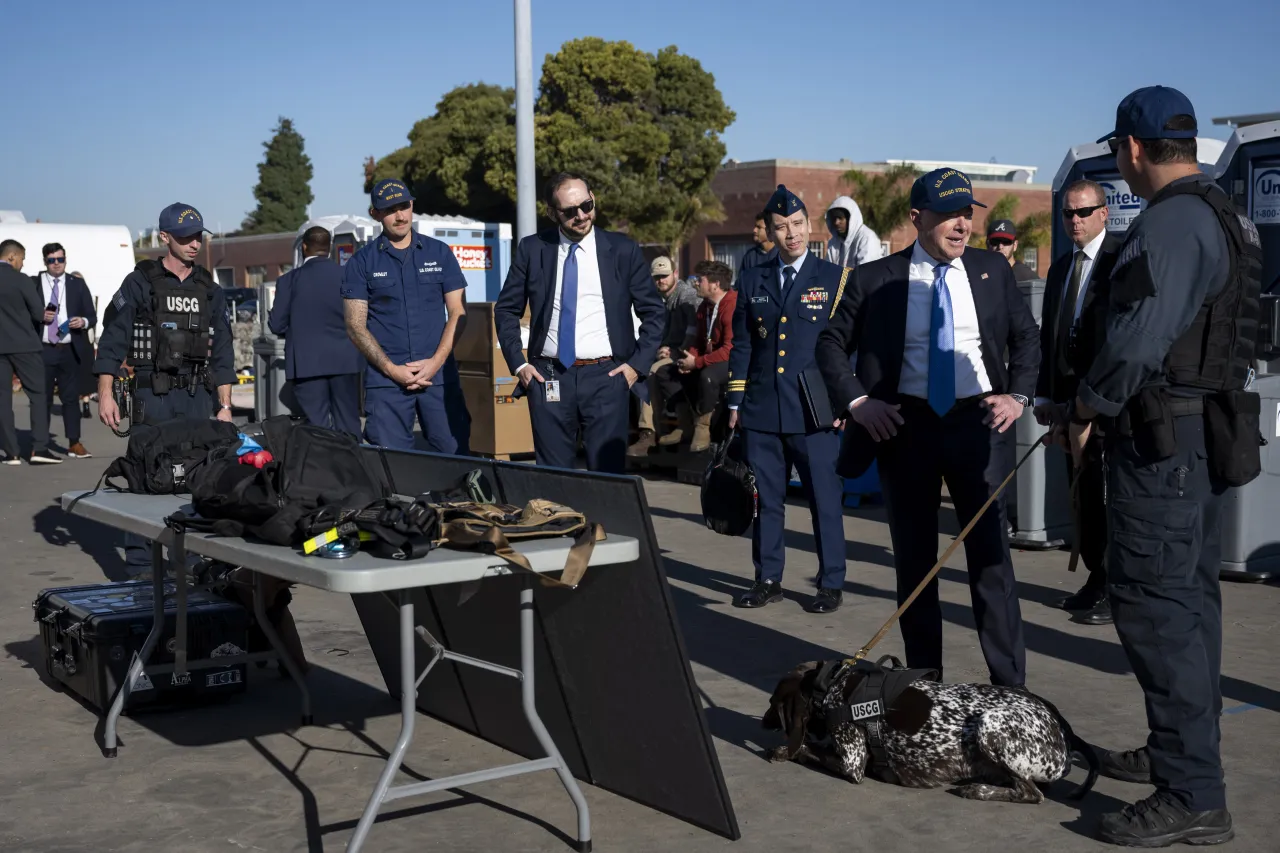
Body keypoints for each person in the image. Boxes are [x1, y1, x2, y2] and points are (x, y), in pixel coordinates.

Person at [1070, 86, 1260, 848]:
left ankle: (1192, 790)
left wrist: (1086, 405)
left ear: (1134, 149)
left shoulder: (1173, 224)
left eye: (1119, 148)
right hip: (1196, 438)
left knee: (1156, 613)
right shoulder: (1225, 212)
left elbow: (1139, 339)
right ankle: (1181, 751)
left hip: (1162, 446)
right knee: (1190, 607)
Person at [816, 167, 1040, 686]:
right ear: (918, 219)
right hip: (906, 431)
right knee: (916, 565)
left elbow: (1028, 338)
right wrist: (858, 401)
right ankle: (924, 686)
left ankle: (1011, 690)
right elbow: (830, 344)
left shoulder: (991, 270)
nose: (961, 225)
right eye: (947, 215)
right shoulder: (876, 279)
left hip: (977, 427)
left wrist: (1019, 394)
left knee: (991, 564)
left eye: (967, 213)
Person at [95, 203, 236, 573]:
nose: (194, 244)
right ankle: (141, 567)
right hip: (151, 398)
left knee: (196, 477)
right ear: (164, 237)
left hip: (195, 399)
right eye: (185, 237)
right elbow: (112, 340)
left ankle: (188, 559)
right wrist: (106, 392)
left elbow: (223, 350)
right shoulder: (140, 282)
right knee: (144, 475)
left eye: (198, 237)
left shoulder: (209, 289)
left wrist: (224, 405)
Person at [727, 184, 848, 613]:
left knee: (825, 501)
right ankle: (768, 577)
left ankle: (831, 581)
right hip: (762, 408)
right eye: (781, 227)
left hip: (815, 410)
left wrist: (847, 404)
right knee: (765, 502)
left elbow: (848, 348)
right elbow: (743, 344)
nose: (791, 234)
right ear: (771, 232)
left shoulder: (835, 279)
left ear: (810, 226)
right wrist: (735, 404)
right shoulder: (753, 276)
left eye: (798, 224)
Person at [494, 172, 665, 473]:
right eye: (570, 211)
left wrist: (636, 367)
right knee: (553, 476)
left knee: (607, 475)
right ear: (552, 213)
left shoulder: (622, 250)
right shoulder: (533, 249)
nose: (582, 216)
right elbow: (506, 309)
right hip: (548, 375)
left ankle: (603, 522)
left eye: (586, 205)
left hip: (608, 376)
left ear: (593, 199)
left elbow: (654, 312)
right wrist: (519, 366)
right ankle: (560, 521)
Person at [1032, 180, 1123, 627]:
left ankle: (1114, 584)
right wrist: (1046, 395)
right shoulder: (1061, 268)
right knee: (1081, 493)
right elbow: (1051, 333)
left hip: (1106, 405)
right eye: (1068, 213)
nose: (1075, 221)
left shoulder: (1120, 262)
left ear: (1104, 213)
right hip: (1069, 404)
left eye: (1084, 212)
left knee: (1108, 494)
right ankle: (1095, 574)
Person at [342, 179, 471, 454]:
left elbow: (458, 311)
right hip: (387, 383)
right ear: (375, 213)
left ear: (412, 205)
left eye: (404, 207)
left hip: (438, 378)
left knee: (455, 456)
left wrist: (435, 363)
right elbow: (355, 326)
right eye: (390, 210)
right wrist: (392, 370)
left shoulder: (440, 253)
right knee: (392, 465)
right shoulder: (361, 263)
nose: (400, 216)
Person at [269, 225, 363, 438]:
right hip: (345, 361)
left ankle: (321, 467)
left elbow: (276, 325)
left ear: (304, 247)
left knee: (317, 427)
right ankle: (354, 465)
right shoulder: (348, 276)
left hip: (306, 363)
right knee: (349, 423)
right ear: (329, 248)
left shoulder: (289, 281)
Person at [652, 260, 737, 453]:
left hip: (732, 360)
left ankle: (703, 427)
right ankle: (686, 425)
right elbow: (699, 342)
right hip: (711, 358)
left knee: (707, 375)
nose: (696, 283)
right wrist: (689, 359)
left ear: (715, 284)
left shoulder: (732, 306)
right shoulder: (704, 307)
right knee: (667, 372)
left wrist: (697, 362)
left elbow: (729, 349)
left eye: (700, 280)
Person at [629, 255, 699, 456]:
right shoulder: (663, 298)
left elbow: (693, 330)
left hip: (686, 354)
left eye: (665, 276)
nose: (661, 280)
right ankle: (651, 432)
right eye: (657, 277)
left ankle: (650, 433)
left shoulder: (686, 295)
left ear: (675, 274)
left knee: (652, 371)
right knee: (637, 369)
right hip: (669, 352)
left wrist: (676, 350)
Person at [32, 243, 96, 458]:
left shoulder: (76, 284)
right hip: (43, 349)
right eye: (52, 260)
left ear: (65, 260)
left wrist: (83, 321)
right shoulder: (34, 283)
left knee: (70, 399)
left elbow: (92, 315)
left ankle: (74, 443)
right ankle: (39, 445)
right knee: (43, 399)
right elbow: (22, 312)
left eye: (60, 259)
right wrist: (39, 315)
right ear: (45, 262)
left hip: (69, 349)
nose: (57, 264)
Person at [0, 240, 57, 465]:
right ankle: (39, 449)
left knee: (3, 400)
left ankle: (11, 453)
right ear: (12, 257)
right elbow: (37, 313)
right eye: (22, 258)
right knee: (38, 395)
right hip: (25, 346)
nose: (23, 264)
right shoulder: (21, 279)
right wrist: (47, 315)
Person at [824, 195, 883, 268]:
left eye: (840, 218)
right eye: (834, 219)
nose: (836, 222)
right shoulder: (834, 243)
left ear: (850, 219)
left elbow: (866, 274)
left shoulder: (867, 238)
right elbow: (828, 271)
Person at [735, 211, 778, 288]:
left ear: (770, 230)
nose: (754, 230)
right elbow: (740, 284)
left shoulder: (782, 254)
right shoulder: (750, 256)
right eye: (755, 226)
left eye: (759, 227)